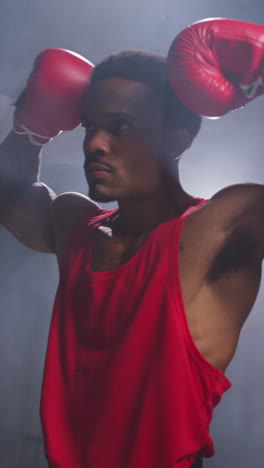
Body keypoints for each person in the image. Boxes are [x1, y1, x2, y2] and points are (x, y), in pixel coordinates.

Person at [0, 17, 264, 468]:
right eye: (89, 125)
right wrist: (30, 130)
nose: (95, 144)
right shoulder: (76, 224)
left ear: (175, 141)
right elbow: (8, 196)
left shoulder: (222, 225)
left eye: (119, 127)